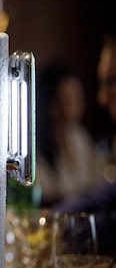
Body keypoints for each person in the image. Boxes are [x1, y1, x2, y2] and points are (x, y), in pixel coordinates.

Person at [51, 30, 116, 256]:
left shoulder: (80, 138)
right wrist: (52, 219)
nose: (102, 98)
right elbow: (104, 193)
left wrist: (65, 228)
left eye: (112, 82)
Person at [35, 64, 102, 206]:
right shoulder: (32, 146)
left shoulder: (79, 136)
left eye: (78, 99)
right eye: (68, 101)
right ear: (50, 104)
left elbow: (96, 184)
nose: (76, 108)